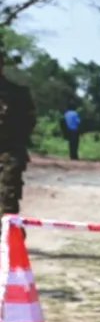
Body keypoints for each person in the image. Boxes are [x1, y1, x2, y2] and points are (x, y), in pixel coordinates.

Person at [0, 45, 35, 217]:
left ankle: (8, 238)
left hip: (9, 151)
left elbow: (29, 122)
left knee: (8, 197)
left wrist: (15, 142)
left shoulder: (18, 94)